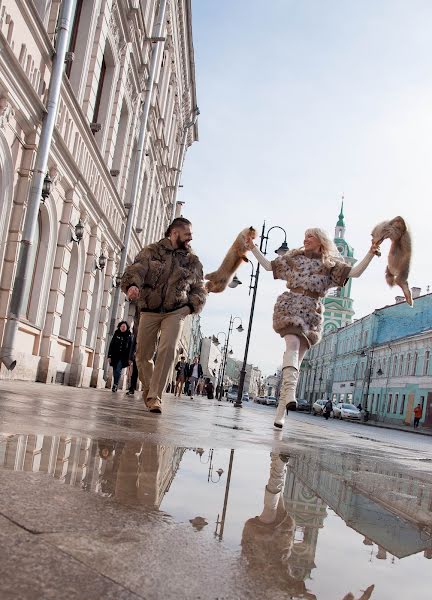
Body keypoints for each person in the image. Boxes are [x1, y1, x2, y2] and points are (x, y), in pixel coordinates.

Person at [246, 228, 380, 429]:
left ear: (320, 241)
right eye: (305, 235)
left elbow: (355, 273)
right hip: (291, 305)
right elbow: (267, 266)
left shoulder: (329, 265)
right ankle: (290, 394)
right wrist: (253, 248)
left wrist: (370, 252)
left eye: (310, 236)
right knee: (291, 345)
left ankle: (281, 414)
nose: (305, 239)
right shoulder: (294, 258)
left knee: (296, 361)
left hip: (311, 312)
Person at [121, 218, 206, 414]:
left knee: (168, 349)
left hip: (176, 310)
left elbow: (200, 288)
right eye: (187, 234)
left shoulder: (192, 261)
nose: (190, 238)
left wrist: (190, 307)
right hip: (150, 309)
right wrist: (132, 285)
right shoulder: (151, 251)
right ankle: (151, 390)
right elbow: (137, 269)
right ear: (174, 233)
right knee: (142, 355)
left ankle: (154, 397)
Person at [107, 321, 132, 392]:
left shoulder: (129, 335)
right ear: (119, 327)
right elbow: (111, 345)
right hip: (115, 356)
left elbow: (130, 347)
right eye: (121, 326)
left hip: (123, 357)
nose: (123, 328)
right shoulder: (116, 333)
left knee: (118, 369)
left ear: (127, 328)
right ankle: (115, 383)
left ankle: (115, 385)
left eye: (124, 326)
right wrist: (109, 356)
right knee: (115, 371)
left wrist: (130, 358)